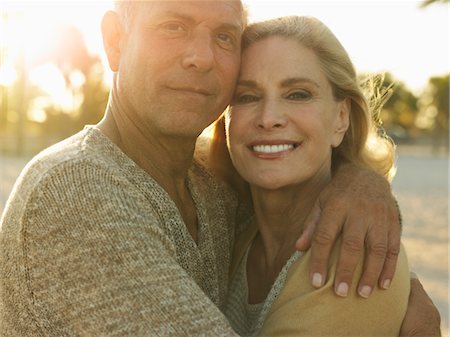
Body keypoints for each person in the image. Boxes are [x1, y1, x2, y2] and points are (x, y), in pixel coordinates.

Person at [0, 1, 440, 336]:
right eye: (174, 26)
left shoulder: (214, 189)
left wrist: (359, 181)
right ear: (116, 40)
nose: (202, 57)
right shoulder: (75, 192)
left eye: (226, 37)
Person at [210, 15, 433, 336]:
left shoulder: (357, 255)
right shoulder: (226, 227)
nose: (269, 118)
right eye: (246, 96)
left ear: (341, 118)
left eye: (298, 94)